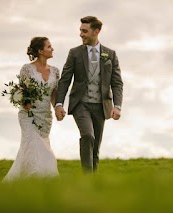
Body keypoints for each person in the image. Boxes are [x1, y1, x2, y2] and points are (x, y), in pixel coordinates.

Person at [55, 16, 123, 173]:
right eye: (80, 31)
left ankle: (92, 183)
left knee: (95, 147)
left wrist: (117, 106)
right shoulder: (75, 53)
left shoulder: (110, 55)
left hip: (101, 106)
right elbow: (65, 80)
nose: (81, 34)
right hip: (81, 104)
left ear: (96, 32)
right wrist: (59, 104)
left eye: (85, 31)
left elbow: (117, 83)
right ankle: (87, 177)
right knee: (88, 136)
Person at [3, 37, 60, 182]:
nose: (52, 49)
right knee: (37, 147)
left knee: (31, 150)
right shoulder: (27, 69)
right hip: (28, 115)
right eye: (49, 46)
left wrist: (58, 108)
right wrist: (24, 102)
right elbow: (22, 91)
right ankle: (40, 179)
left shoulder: (55, 71)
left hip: (45, 118)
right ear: (40, 51)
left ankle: (22, 183)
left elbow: (54, 95)